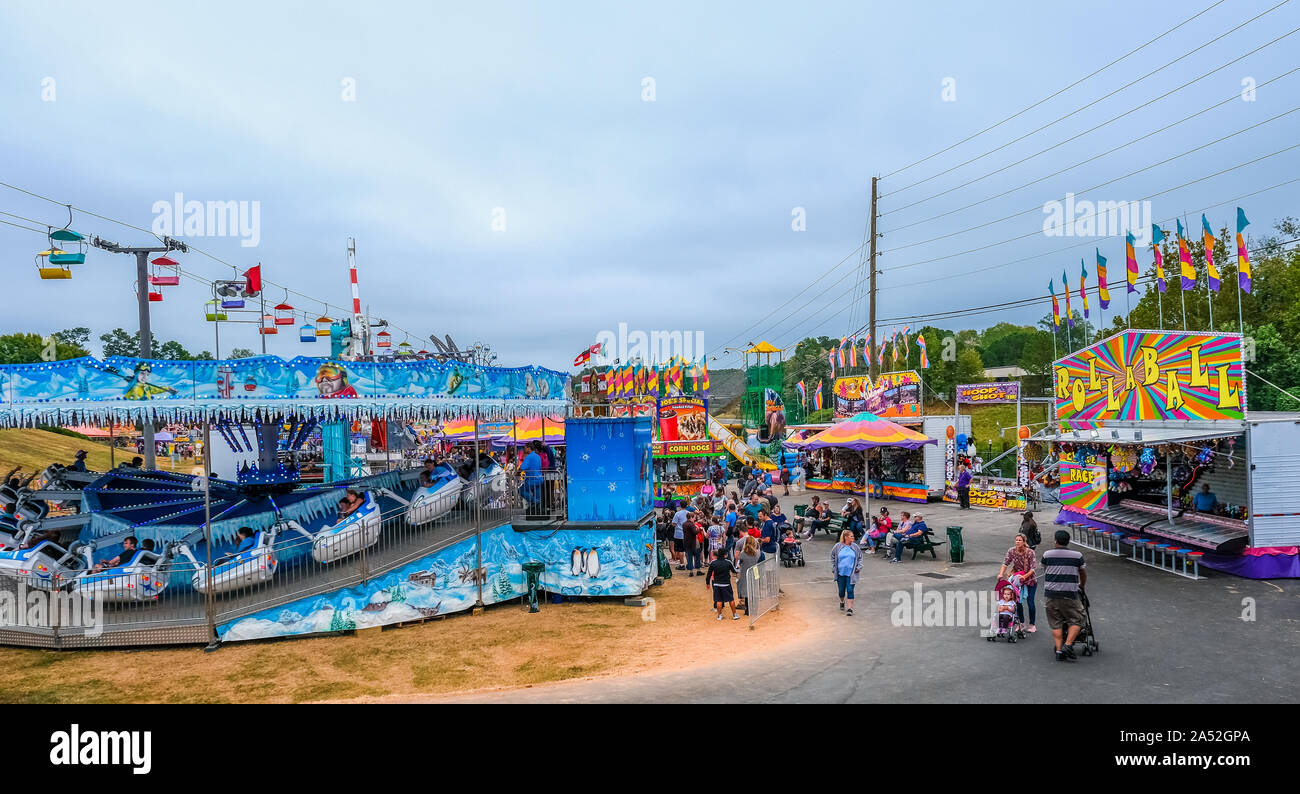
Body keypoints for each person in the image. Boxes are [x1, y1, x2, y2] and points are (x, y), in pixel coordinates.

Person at [1042, 530, 1087, 662]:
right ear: (1068, 541)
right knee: (1077, 618)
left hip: (1051, 594)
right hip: (1069, 594)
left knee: (1056, 623)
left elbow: (1045, 569)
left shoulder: (1047, 554)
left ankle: (1059, 651)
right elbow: (1083, 573)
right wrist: (1082, 585)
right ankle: (1067, 645)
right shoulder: (1077, 556)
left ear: (1055, 541)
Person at [998, 532, 1038, 633]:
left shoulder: (1030, 553)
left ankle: (1032, 624)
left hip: (1030, 580)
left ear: (1024, 542)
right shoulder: (1011, 551)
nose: (1018, 542)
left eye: (1020, 540)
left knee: (1030, 602)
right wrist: (1001, 573)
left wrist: (1024, 577)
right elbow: (1005, 562)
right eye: (1016, 540)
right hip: (1017, 580)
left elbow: (1033, 569)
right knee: (1017, 602)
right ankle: (1021, 623)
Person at [831, 529, 862, 616]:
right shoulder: (838, 546)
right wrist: (834, 567)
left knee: (850, 590)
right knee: (841, 591)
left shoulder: (855, 547)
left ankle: (850, 608)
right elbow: (832, 556)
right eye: (851, 536)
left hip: (851, 574)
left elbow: (860, 558)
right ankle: (842, 601)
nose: (853, 537)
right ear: (845, 537)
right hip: (840, 573)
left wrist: (859, 567)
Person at [706, 548, 742, 621]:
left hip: (716, 584)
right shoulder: (728, 562)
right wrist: (740, 569)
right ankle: (734, 615)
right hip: (726, 584)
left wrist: (707, 583)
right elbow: (734, 571)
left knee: (718, 600)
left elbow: (709, 574)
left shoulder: (713, 563)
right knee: (731, 599)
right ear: (725, 555)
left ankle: (719, 615)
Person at [735, 535, 760, 614]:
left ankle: (747, 610)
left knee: (746, 590)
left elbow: (739, 564)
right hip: (755, 571)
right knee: (753, 589)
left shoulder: (742, 553)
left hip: (745, 572)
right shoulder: (756, 553)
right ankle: (754, 609)